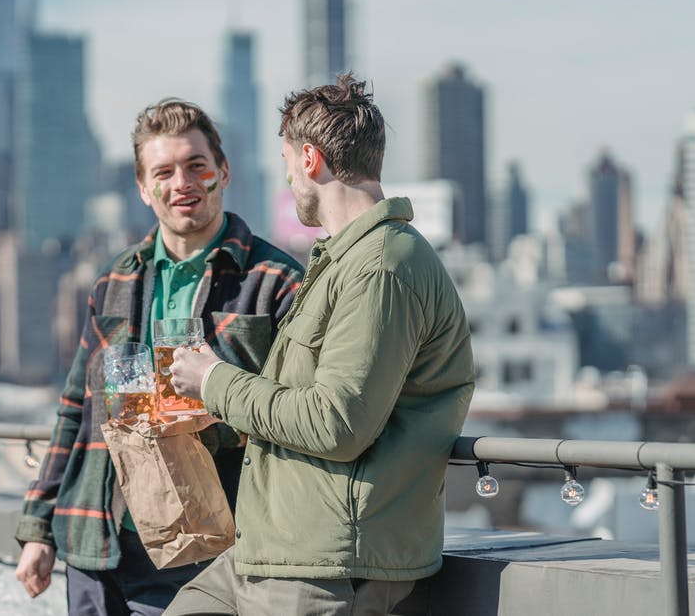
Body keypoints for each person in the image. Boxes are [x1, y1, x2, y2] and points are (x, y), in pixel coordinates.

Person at [164, 73, 476, 615]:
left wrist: (214, 380)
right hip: (266, 552)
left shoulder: (382, 268)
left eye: (286, 162)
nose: (287, 178)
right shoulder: (344, 263)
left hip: (325, 570)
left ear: (310, 158)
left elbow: (336, 423)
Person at [14, 99, 305, 615]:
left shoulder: (277, 282)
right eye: (163, 172)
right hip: (99, 540)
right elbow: (75, 409)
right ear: (144, 189)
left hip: (210, 545)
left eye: (197, 166)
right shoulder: (113, 280)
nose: (182, 183)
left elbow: (293, 414)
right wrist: (38, 527)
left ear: (224, 172)